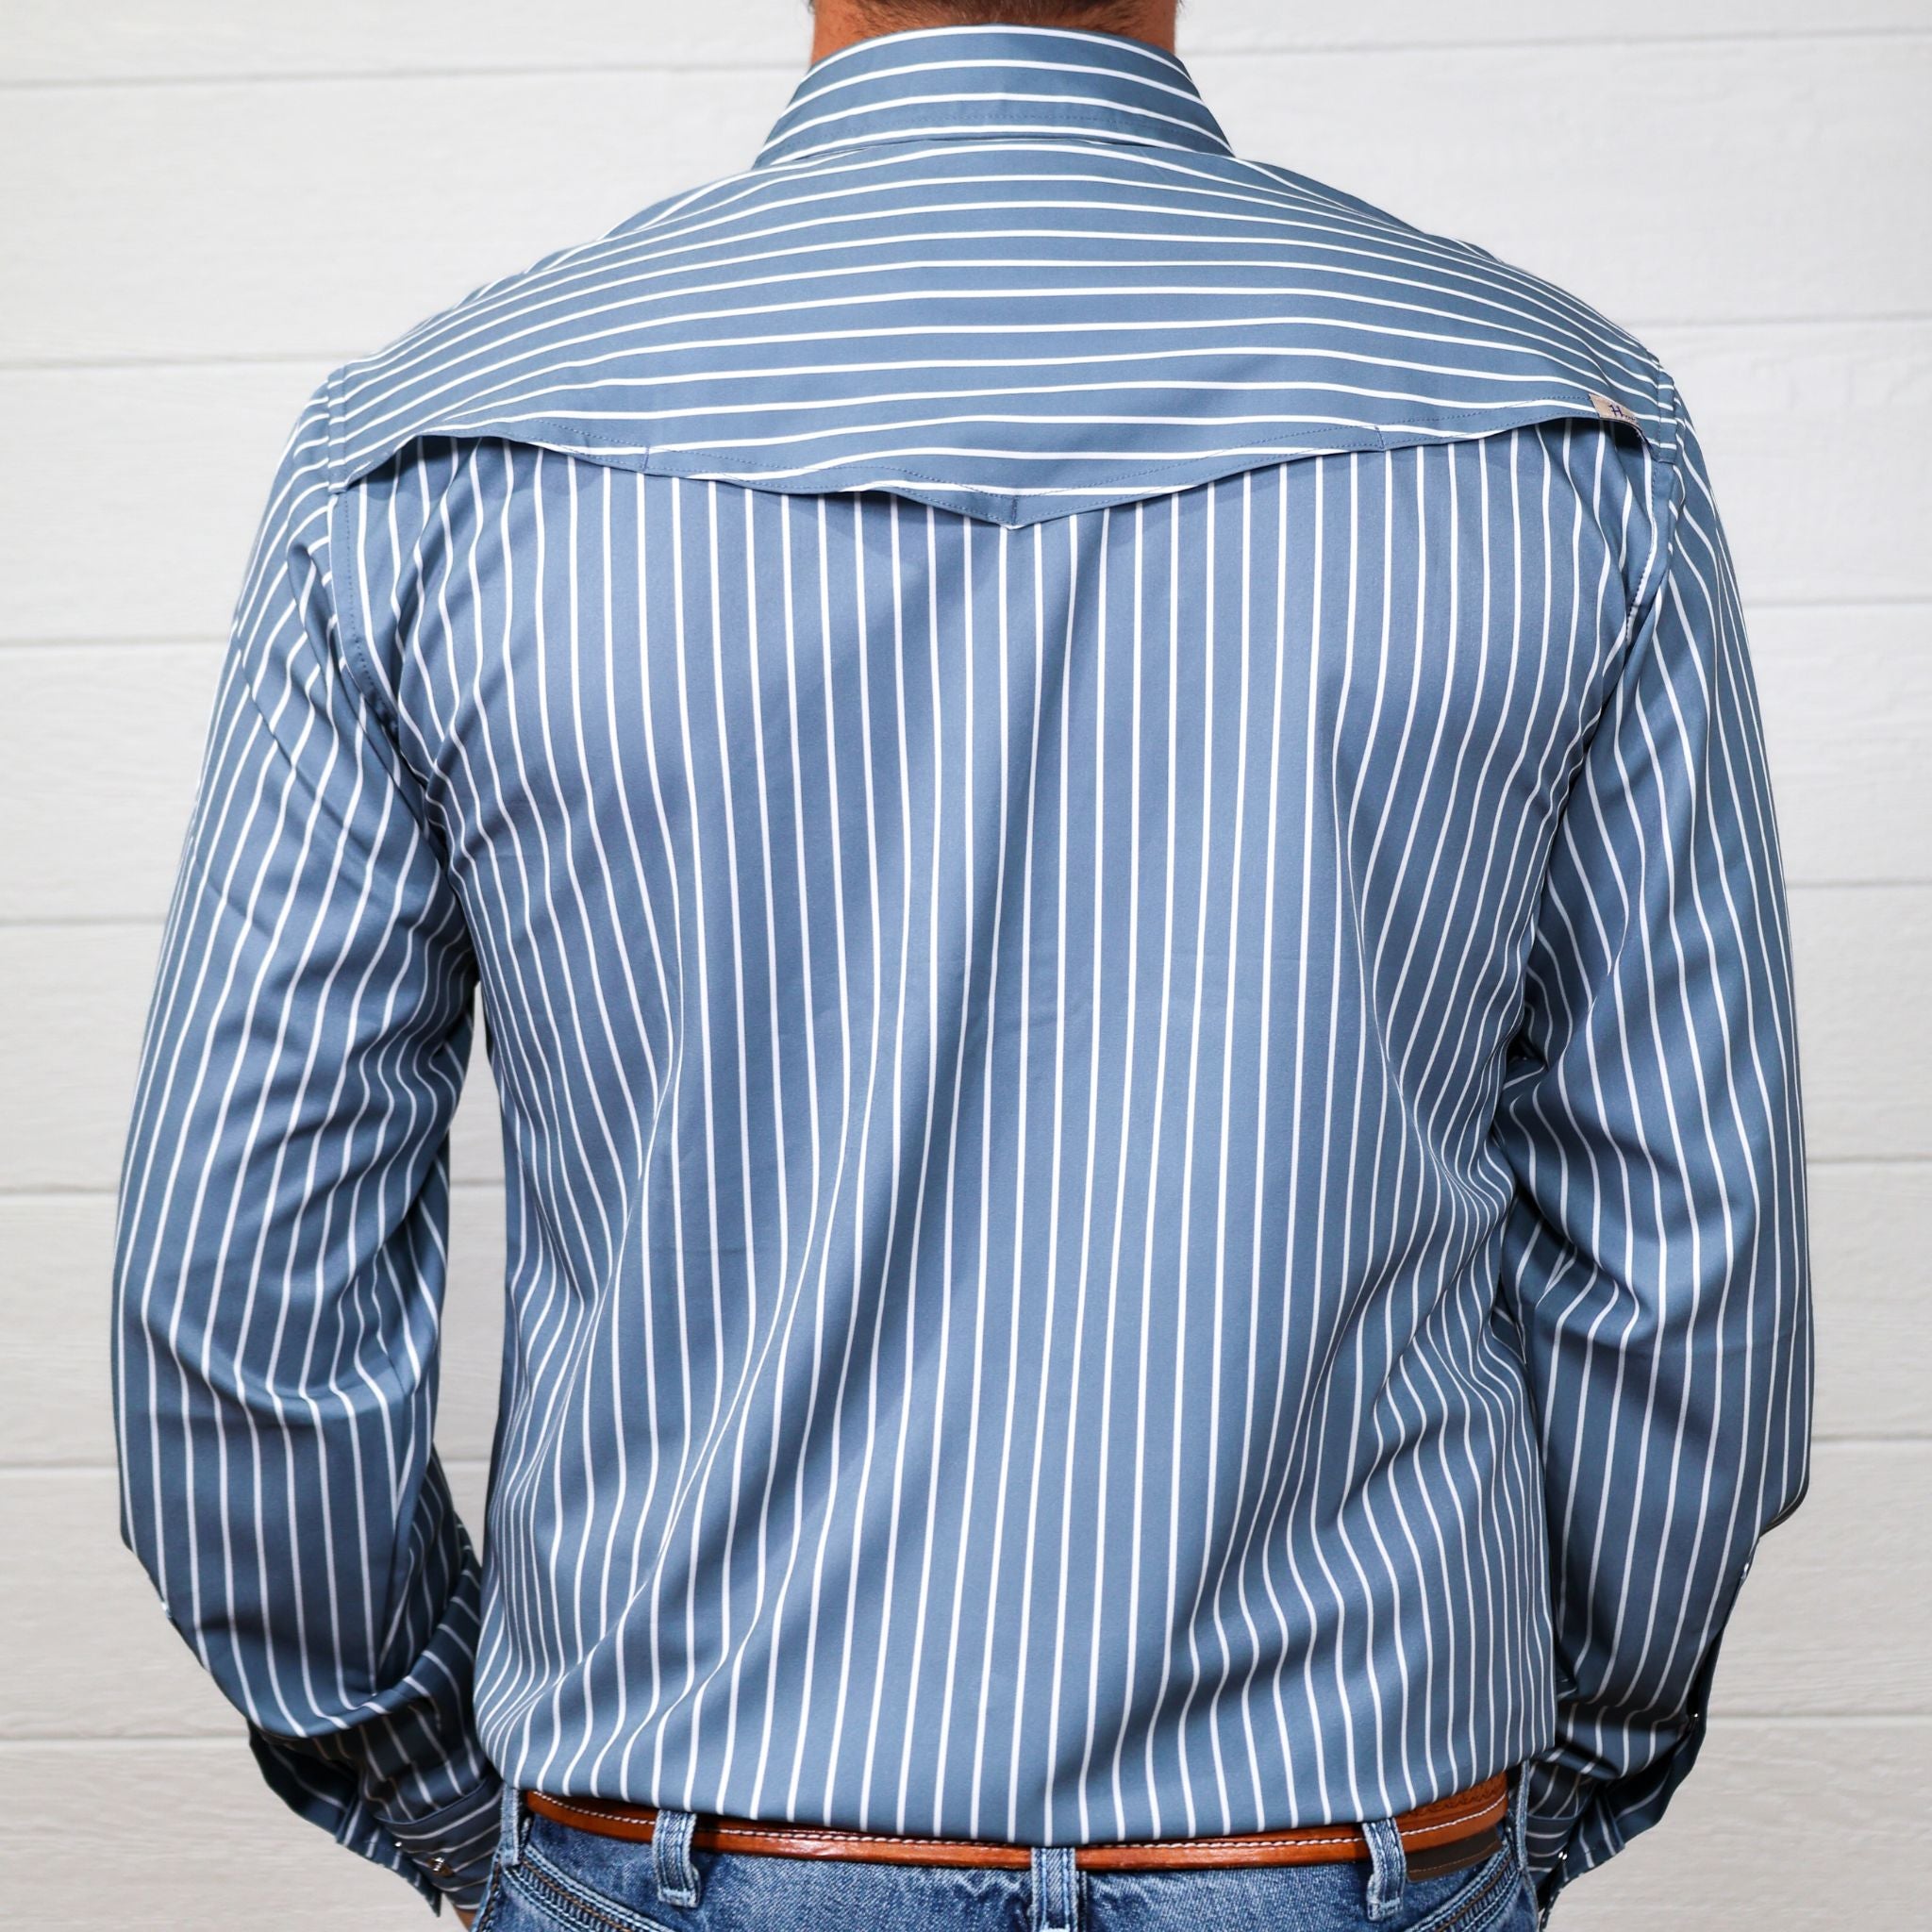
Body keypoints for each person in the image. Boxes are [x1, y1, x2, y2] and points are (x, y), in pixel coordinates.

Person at [109, 2, 1813, 1927]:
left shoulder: (427, 467)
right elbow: (1683, 1270)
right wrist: (1540, 1769)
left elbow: (242, 1316)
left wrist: (443, 1783)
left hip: (671, 1831)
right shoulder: (1563, 436)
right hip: (1342, 1835)